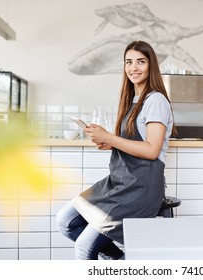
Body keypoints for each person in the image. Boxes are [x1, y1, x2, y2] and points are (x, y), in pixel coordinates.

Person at [56, 40, 174, 260]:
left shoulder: (156, 100)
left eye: (141, 61)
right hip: (119, 182)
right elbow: (133, 143)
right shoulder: (132, 100)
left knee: (84, 247)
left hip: (140, 189)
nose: (133, 68)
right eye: (128, 62)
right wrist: (110, 143)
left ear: (151, 66)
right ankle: (120, 261)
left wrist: (110, 136)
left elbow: (151, 151)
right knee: (66, 221)